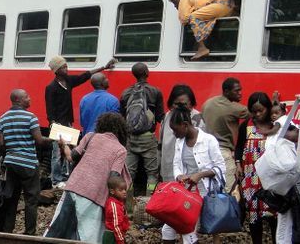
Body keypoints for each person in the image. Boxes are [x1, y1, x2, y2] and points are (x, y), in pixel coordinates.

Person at [45, 112, 131, 242]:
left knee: (59, 226)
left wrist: (63, 145)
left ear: (101, 125)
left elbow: (71, 157)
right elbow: (114, 177)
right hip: (94, 194)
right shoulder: (120, 150)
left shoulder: (91, 136)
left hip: (73, 186)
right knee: (87, 233)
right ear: (121, 131)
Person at [45, 56, 116, 188]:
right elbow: (49, 109)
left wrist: (104, 67)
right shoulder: (51, 87)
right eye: (63, 67)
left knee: (69, 152)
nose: (66, 68)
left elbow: (85, 76)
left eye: (66, 66)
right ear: (56, 70)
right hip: (58, 124)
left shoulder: (68, 81)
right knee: (57, 153)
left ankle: (66, 177)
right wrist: (53, 124)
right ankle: (55, 180)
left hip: (68, 122)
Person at [162, 105, 225, 244]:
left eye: (175, 130)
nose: (174, 134)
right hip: (187, 193)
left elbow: (220, 167)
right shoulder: (179, 142)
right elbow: (176, 165)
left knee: (187, 230)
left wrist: (200, 175)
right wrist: (179, 176)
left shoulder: (208, 140)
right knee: (168, 229)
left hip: (205, 194)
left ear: (185, 125)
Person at [0, 89, 54, 235]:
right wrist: (54, 139)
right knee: (31, 200)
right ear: (18, 100)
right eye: (27, 97)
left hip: (10, 163)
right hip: (28, 164)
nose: (30, 99)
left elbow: (0, 144)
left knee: (11, 198)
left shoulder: (3, 118)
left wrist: (12, 148)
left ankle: (7, 231)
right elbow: (40, 141)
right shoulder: (31, 118)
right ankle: (29, 233)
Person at [234, 92, 278, 244]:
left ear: (268, 109)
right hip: (250, 177)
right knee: (254, 214)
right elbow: (239, 147)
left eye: (261, 110)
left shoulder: (275, 125)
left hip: (271, 178)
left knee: (273, 214)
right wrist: (238, 164)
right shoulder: (246, 125)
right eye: (254, 111)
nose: (258, 114)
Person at [119, 62, 164, 195]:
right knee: (152, 173)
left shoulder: (126, 93)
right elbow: (160, 116)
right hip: (148, 138)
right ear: (146, 73)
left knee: (129, 174)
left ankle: (129, 206)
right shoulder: (155, 91)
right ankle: (149, 201)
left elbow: (122, 116)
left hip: (131, 138)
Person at [202, 77, 249, 192]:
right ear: (226, 91)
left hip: (206, 151)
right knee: (230, 190)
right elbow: (256, 112)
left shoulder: (208, 103)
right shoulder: (233, 107)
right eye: (236, 91)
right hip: (223, 153)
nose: (240, 93)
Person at [168, 0, 236, 60]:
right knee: (202, 20)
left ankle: (202, 48)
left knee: (193, 17)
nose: (175, 6)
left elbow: (184, 19)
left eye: (174, 3)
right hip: (228, 4)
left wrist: (187, 13)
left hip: (221, 3)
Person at [159, 84, 205, 182]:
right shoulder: (167, 117)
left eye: (183, 104)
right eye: (176, 104)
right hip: (168, 169)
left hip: (190, 174)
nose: (179, 107)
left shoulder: (197, 118)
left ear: (191, 103)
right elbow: (161, 144)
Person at [103, 176, 130, 244]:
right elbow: (116, 226)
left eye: (125, 189)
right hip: (113, 237)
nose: (124, 192)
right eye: (121, 190)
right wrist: (121, 241)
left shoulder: (118, 203)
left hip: (117, 235)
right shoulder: (114, 205)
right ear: (112, 191)